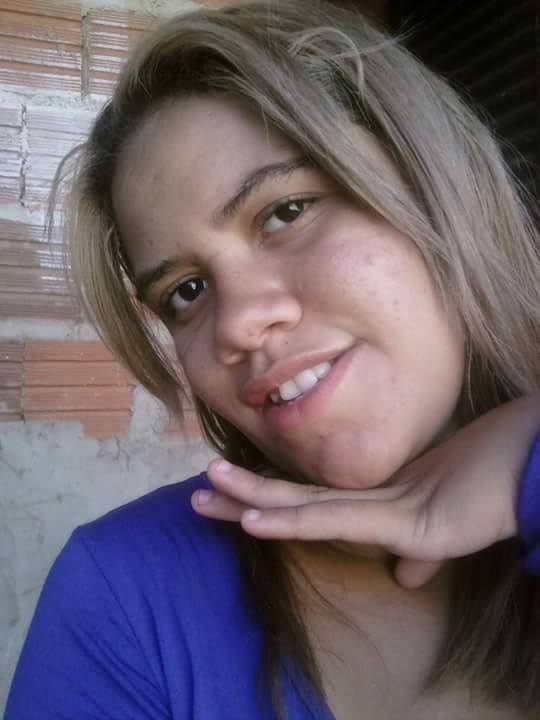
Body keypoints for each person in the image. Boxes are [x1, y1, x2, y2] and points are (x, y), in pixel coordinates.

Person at [5, 1, 540, 718]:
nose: (237, 325)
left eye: (286, 211)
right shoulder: (125, 594)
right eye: (186, 291)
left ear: (437, 186)